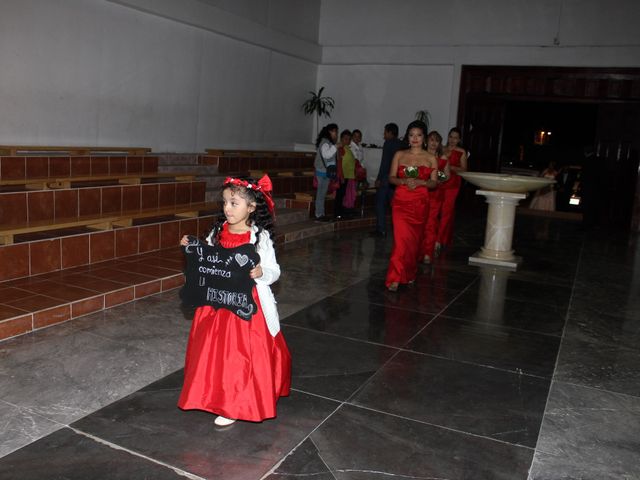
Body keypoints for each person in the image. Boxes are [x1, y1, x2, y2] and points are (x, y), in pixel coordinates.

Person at [178, 175, 291, 427]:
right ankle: (212, 393)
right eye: (226, 202)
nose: (227, 208)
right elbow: (205, 260)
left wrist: (263, 273)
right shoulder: (217, 232)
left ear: (251, 207)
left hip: (246, 306)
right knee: (214, 352)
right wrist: (192, 247)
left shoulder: (258, 238)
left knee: (239, 355)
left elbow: (275, 271)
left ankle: (235, 402)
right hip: (216, 304)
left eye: (234, 203)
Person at [385, 120, 438, 292]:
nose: (415, 138)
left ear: (424, 138)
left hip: (420, 202)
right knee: (400, 241)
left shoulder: (431, 158)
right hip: (401, 201)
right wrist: (402, 181)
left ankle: (409, 272)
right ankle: (394, 277)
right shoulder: (399, 154)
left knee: (413, 243)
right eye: (411, 135)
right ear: (407, 137)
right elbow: (391, 178)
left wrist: (421, 182)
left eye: (419, 135)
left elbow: (434, 183)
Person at [435, 127, 468, 255]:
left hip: (453, 184)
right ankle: (440, 237)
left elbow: (464, 170)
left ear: (459, 139)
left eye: (455, 137)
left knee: (446, 211)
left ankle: (438, 240)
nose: (453, 140)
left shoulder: (461, 152)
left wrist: (450, 167)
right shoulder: (441, 149)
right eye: (451, 136)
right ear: (447, 137)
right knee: (436, 210)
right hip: (440, 182)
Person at [421, 130, 449, 264]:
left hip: (436, 193)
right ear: (426, 141)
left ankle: (427, 252)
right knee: (420, 222)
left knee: (431, 223)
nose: (433, 143)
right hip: (421, 192)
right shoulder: (420, 155)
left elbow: (447, 175)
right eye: (431, 140)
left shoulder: (442, 158)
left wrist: (439, 177)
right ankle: (418, 250)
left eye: (436, 140)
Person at [373, 123, 404, 237]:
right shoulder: (401, 144)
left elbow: (385, 163)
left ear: (391, 133)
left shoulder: (388, 143)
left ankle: (381, 229)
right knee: (394, 205)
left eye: (385, 132)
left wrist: (379, 178)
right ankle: (399, 230)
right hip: (397, 178)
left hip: (387, 177)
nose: (384, 134)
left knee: (380, 203)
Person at [314, 123, 339, 222]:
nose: (336, 134)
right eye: (335, 132)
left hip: (325, 172)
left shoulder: (328, 142)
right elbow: (326, 155)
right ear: (330, 131)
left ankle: (321, 214)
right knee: (320, 194)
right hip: (321, 172)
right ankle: (319, 214)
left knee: (322, 194)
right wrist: (336, 146)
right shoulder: (324, 142)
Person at [335, 129, 357, 219]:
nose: (347, 141)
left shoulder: (348, 148)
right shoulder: (340, 149)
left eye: (349, 139)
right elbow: (339, 163)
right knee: (340, 195)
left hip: (348, 175)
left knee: (344, 195)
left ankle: (342, 211)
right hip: (342, 175)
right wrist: (341, 176)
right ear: (341, 139)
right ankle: (337, 213)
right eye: (345, 139)